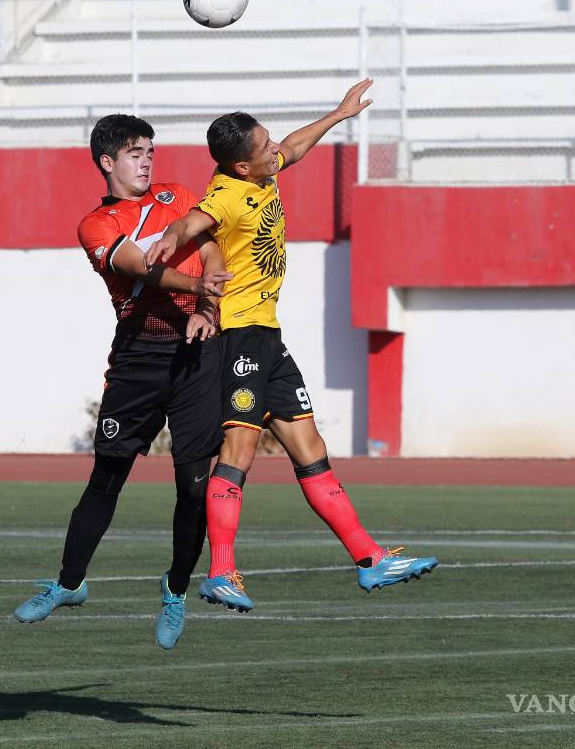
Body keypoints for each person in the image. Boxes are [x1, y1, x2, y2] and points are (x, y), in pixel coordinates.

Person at [145, 80, 438, 611]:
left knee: (311, 448)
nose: (274, 148)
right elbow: (195, 219)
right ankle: (221, 573)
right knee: (238, 452)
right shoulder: (228, 195)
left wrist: (339, 114)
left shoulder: (262, 170)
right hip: (237, 336)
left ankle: (370, 559)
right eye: (265, 146)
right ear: (242, 166)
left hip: (267, 337)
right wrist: (172, 236)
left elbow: (296, 147)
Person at [13, 114, 232, 649]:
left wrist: (207, 305)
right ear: (107, 162)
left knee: (193, 484)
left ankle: (175, 591)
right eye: (136, 153)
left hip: (197, 352)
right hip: (139, 355)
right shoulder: (96, 224)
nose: (147, 161)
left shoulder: (178, 196)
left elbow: (210, 249)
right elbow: (139, 267)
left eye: (150, 152)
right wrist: (200, 288)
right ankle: (69, 584)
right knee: (107, 476)